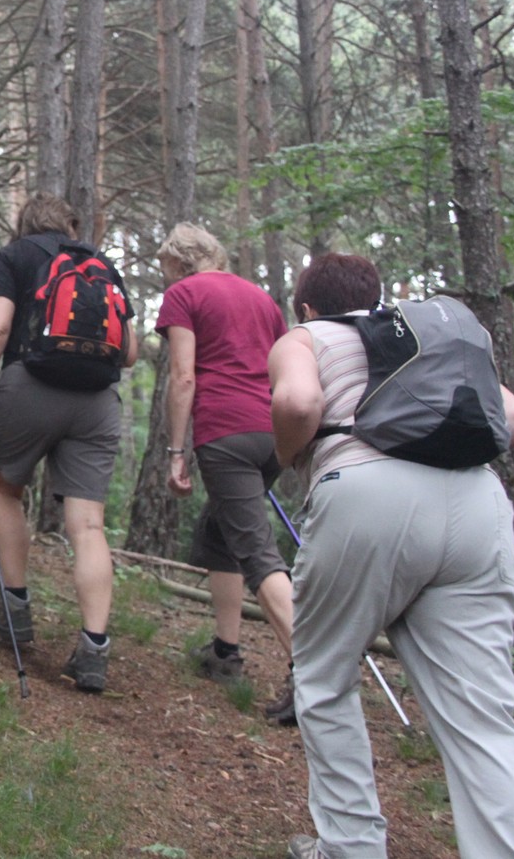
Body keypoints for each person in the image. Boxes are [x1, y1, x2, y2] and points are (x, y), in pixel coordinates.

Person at [268, 253, 514, 859]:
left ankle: (350, 848)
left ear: (306, 306)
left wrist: (291, 457)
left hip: (366, 495)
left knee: (324, 677)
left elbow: (297, 403)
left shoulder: (306, 336)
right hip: (477, 505)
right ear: (376, 301)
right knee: (482, 716)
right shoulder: (423, 341)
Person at [0, 193, 138, 693]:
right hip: (97, 401)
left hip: (30, 386)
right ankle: (94, 649)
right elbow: (130, 352)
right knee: (88, 524)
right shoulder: (102, 264)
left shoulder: (15, 256)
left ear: (23, 223)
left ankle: (14, 610)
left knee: (4, 489)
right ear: (70, 224)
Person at [155, 222, 296, 724]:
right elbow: (285, 367)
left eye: (167, 269)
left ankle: (313, 672)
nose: (167, 278)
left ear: (179, 262)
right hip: (273, 432)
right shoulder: (262, 299)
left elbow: (183, 376)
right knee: (219, 535)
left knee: (256, 552)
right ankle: (225, 651)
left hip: (225, 432)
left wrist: (177, 451)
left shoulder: (184, 294)